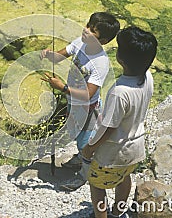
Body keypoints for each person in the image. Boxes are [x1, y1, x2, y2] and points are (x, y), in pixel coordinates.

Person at [81, 26, 158, 218]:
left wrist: (91, 147)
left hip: (113, 152)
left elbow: (109, 127)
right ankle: (117, 213)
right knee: (124, 178)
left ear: (121, 59)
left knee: (97, 185)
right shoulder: (148, 77)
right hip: (135, 149)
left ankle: (101, 216)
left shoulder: (119, 91)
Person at [39, 12, 120, 190]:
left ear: (104, 41)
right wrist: (48, 54)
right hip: (73, 104)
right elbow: (61, 56)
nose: (86, 31)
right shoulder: (80, 42)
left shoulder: (100, 63)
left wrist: (62, 88)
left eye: (93, 31)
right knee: (75, 133)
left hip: (88, 109)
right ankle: (80, 157)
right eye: (88, 25)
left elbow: (88, 94)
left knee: (86, 141)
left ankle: (84, 175)